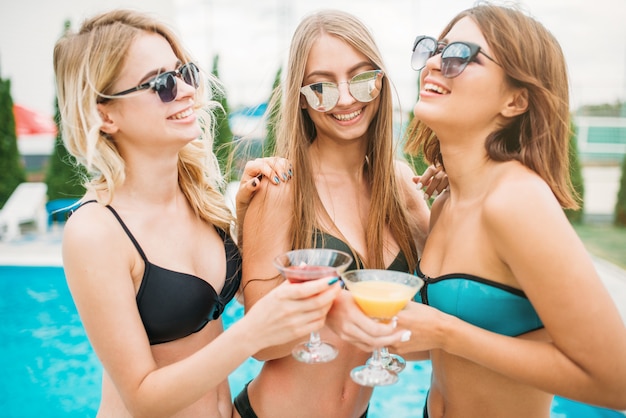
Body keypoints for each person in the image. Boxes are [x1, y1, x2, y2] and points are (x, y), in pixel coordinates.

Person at [54, 9, 342, 417]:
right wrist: (250, 334)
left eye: (185, 72)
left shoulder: (196, 195)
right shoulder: (96, 231)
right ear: (105, 114)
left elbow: (228, 294)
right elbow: (142, 396)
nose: (187, 90)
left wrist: (247, 223)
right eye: (161, 83)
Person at [387, 3, 626, 417]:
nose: (437, 63)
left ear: (516, 100)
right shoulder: (446, 202)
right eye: (436, 48)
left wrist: (445, 333)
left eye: (462, 54)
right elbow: (450, 351)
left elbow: (616, 383)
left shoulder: (517, 201)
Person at [234, 9, 442, 418]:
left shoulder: (401, 188)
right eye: (322, 87)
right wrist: (338, 310)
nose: (346, 98)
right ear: (301, 97)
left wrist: (458, 198)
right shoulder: (281, 187)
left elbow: (423, 345)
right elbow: (259, 343)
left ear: (381, 80)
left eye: (362, 77)